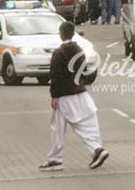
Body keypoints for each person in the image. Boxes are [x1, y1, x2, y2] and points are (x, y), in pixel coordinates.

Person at [39, 22, 109, 171]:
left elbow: (55, 76)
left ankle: (56, 159)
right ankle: (96, 149)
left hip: (64, 95)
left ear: (61, 34)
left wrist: (54, 95)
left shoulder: (59, 53)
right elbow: (84, 71)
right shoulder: (79, 51)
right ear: (73, 33)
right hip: (81, 92)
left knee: (58, 128)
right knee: (88, 123)